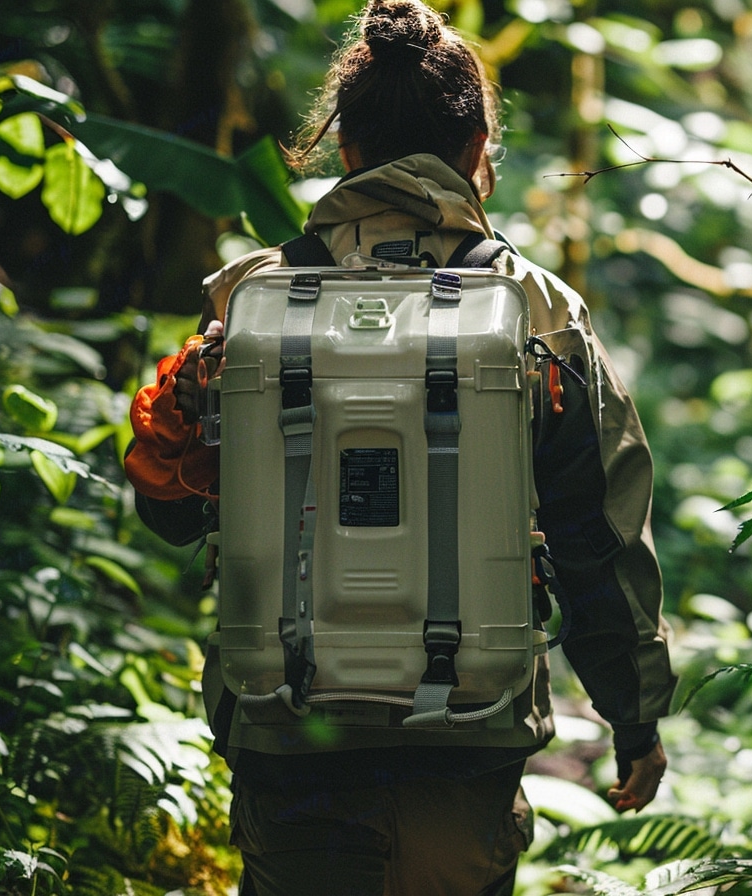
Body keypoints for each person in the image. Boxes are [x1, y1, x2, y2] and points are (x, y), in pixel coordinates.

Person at [124, 2, 676, 893]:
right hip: (469, 733)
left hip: (287, 726)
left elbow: (173, 514)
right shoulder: (538, 312)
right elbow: (598, 535)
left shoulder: (247, 302)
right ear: (477, 150)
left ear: (344, 148)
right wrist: (635, 716)